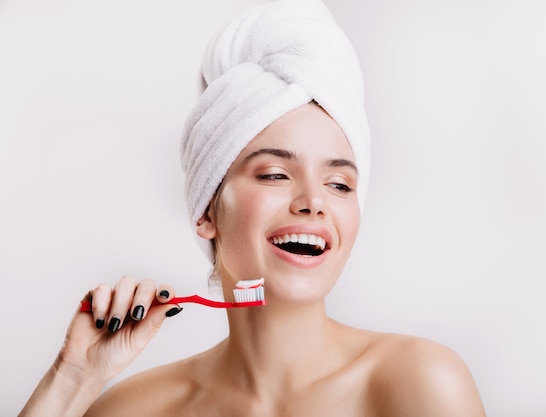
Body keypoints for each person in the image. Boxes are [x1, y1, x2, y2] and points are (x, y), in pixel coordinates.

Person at [19, 1, 486, 416]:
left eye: (339, 184)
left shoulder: (421, 382)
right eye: (275, 175)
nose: (314, 202)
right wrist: (73, 377)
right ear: (206, 211)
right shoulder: (136, 408)